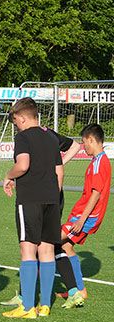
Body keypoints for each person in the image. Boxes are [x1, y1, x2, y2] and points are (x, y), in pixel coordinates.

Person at [2, 97, 63, 318]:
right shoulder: (51, 138)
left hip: (30, 199)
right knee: (47, 251)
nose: (16, 125)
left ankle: (27, 307)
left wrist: (8, 176)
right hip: (51, 199)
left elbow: (23, 164)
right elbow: (59, 172)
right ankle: (44, 306)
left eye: (16, 121)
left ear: (23, 117)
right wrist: (53, 196)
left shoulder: (24, 137)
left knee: (28, 249)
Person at [57, 123, 111, 308]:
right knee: (65, 246)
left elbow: (96, 194)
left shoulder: (98, 163)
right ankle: (79, 289)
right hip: (85, 215)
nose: (83, 146)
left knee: (50, 241)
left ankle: (31, 288)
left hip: (86, 216)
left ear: (91, 139)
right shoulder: (99, 161)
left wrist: (81, 219)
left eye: (84, 142)